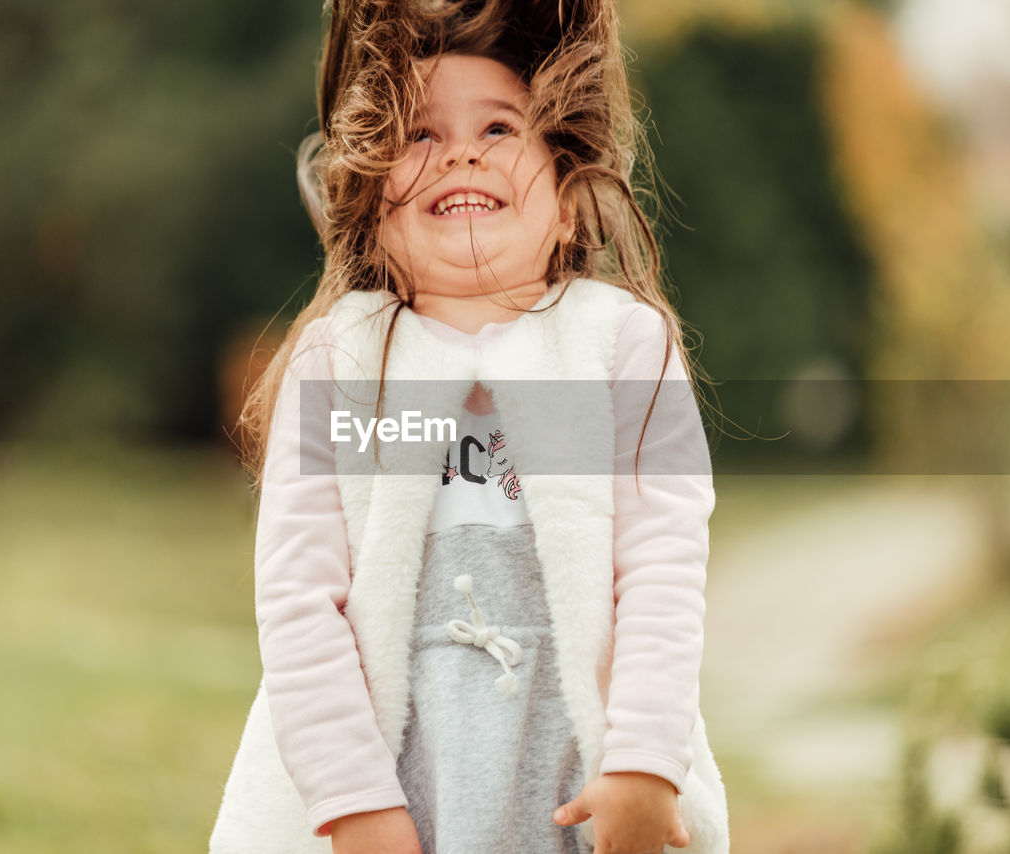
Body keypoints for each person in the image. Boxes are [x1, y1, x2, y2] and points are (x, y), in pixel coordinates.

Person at [209, 2, 729, 853]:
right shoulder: (339, 361)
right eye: (419, 136)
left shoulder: (620, 347)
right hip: (392, 797)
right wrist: (354, 804)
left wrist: (643, 760)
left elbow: (665, 570)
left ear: (566, 201)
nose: (460, 151)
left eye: (498, 126)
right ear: (374, 207)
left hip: (574, 790)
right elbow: (299, 602)